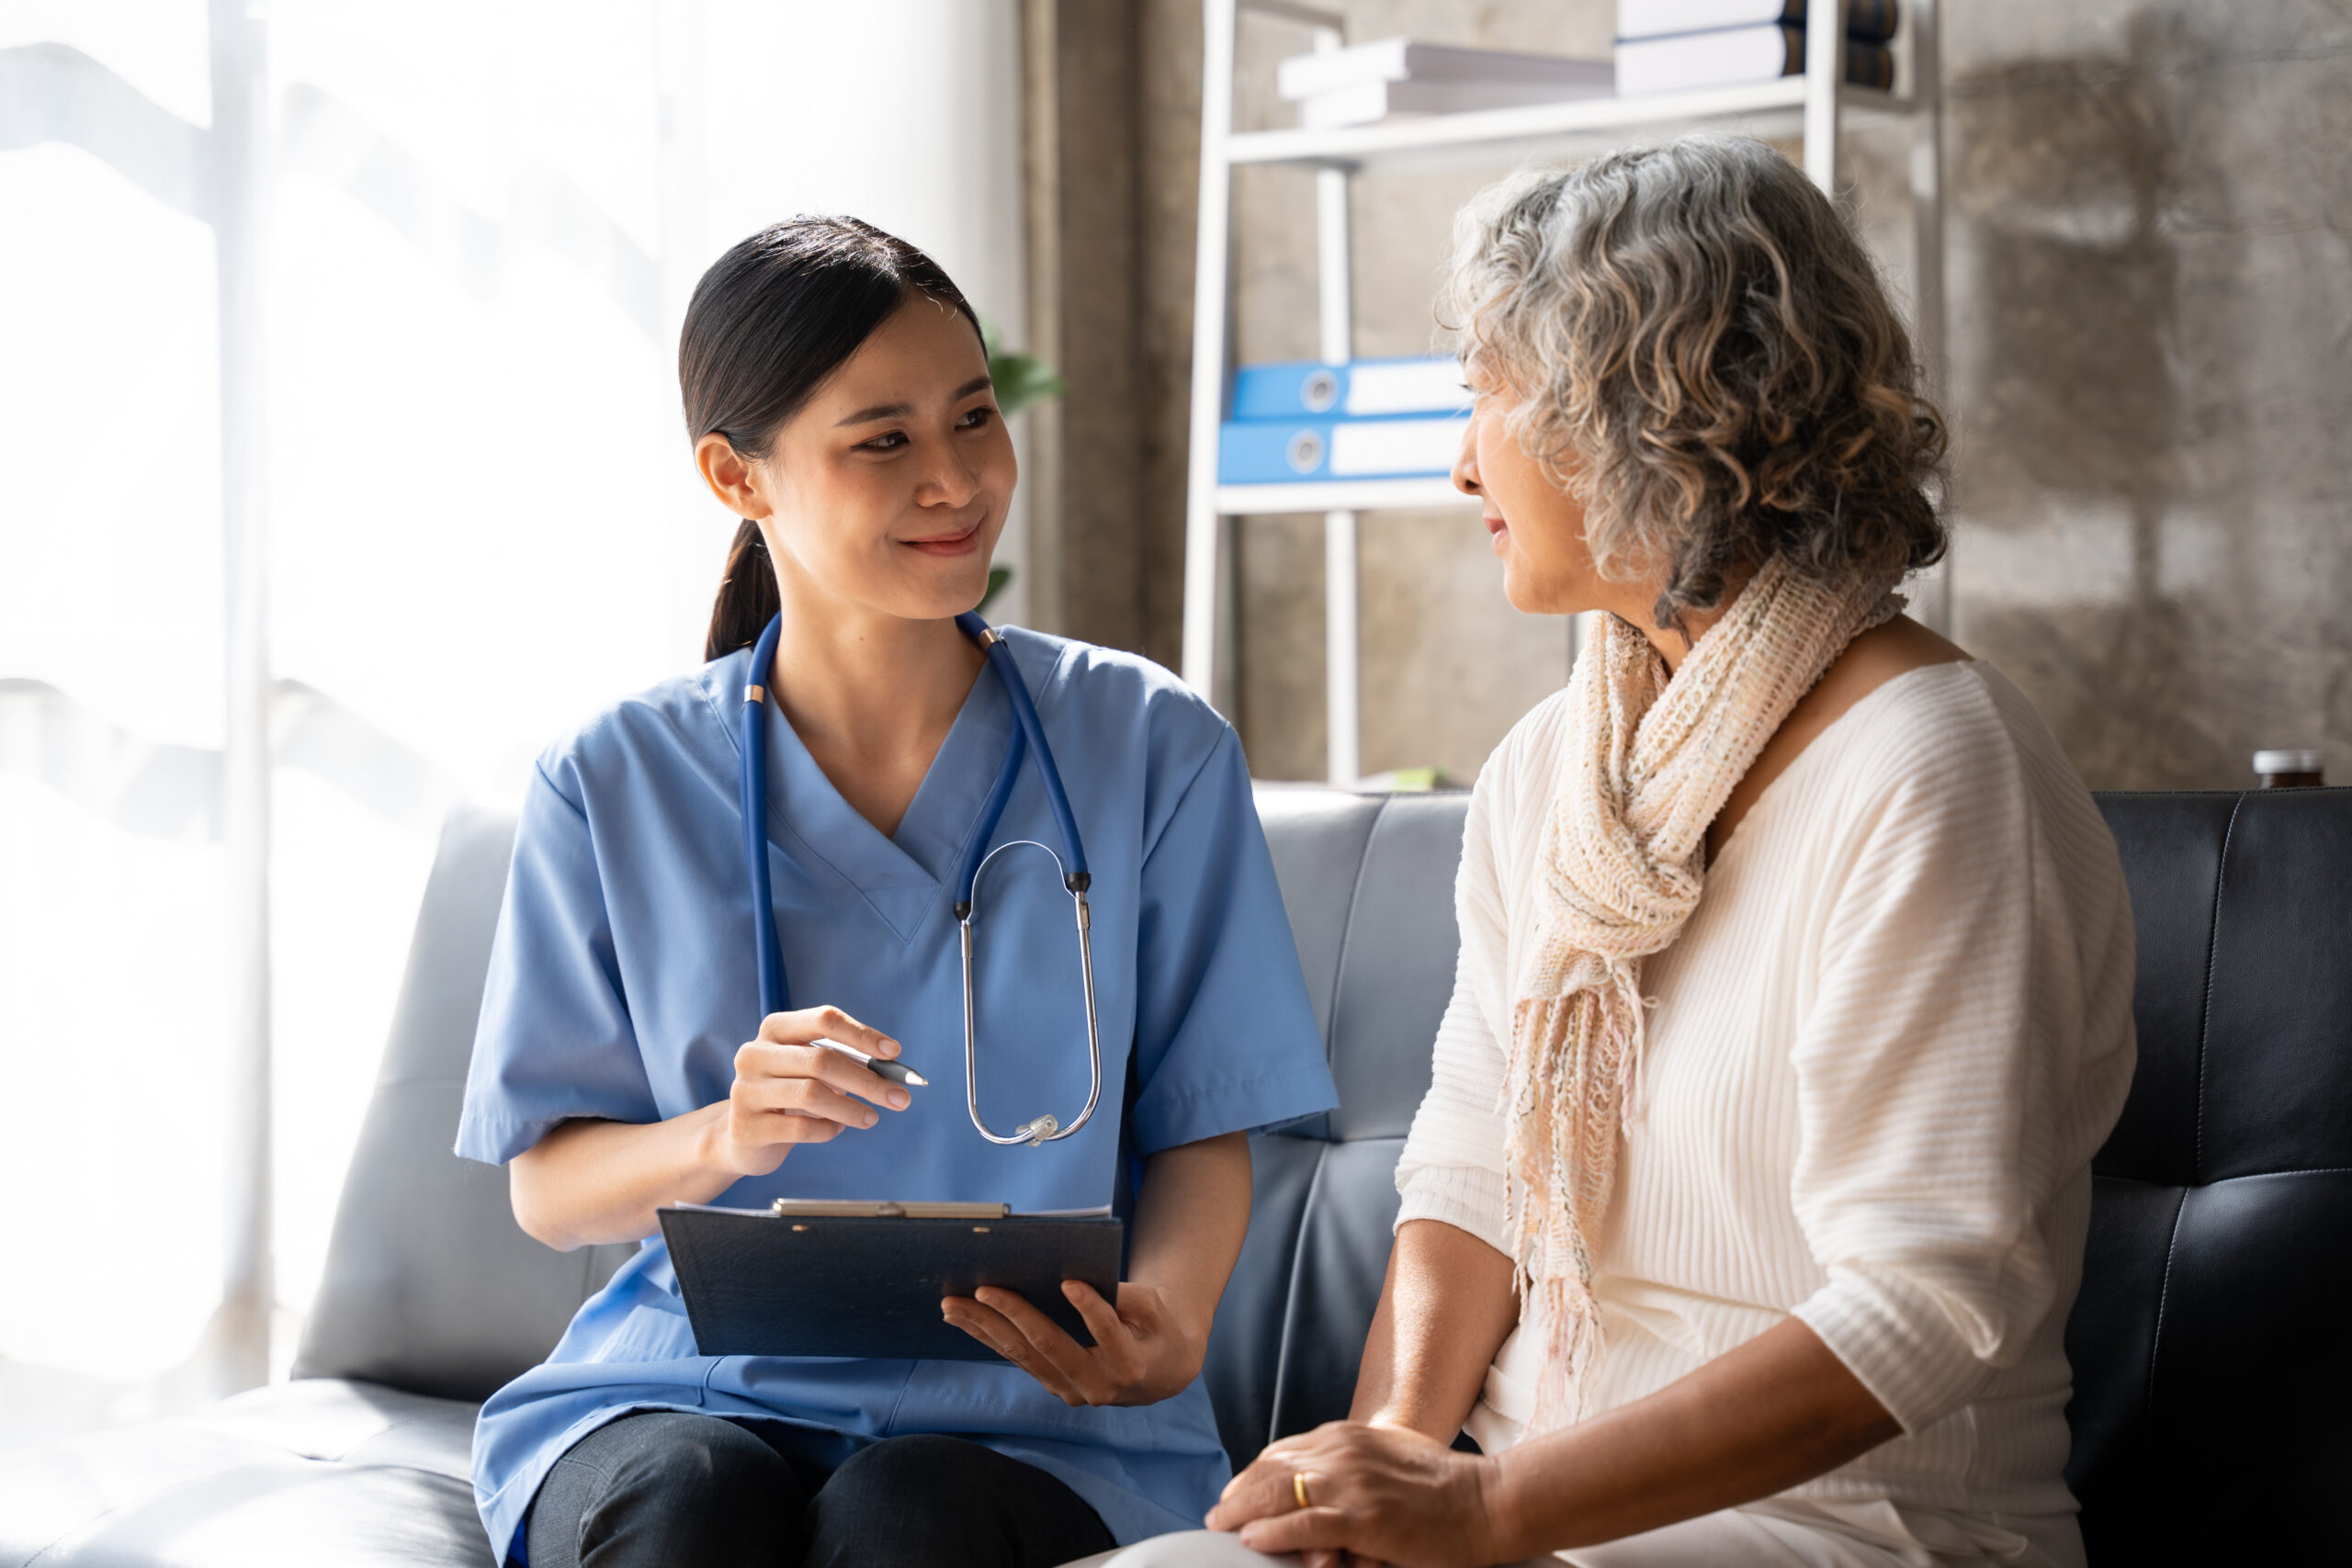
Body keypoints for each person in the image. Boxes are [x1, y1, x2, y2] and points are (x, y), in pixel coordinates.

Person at [1150, 134, 2137, 1567]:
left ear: (1644, 411)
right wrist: (1387, 1474)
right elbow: (1475, 1167)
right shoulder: (1552, 764)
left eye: (1489, 390)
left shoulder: (1936, 769)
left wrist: (1484, 1510)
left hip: (1850, 1532)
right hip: (1530, 1513)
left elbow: (1926, 1302)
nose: (1459, 464)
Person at [455, 216, 1339, 1568]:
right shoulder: (612, 778)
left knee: (905, 1513)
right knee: (687, 1504)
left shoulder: (1149, 746)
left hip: (1036, 1417)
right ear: (735, 476)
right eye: (885, 441)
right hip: (679, 1391)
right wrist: (727, 1134)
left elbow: (1201, 1126)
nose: (959, 479)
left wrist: (1164, 1325)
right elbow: (552, 1188)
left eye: (974, 417)